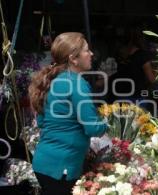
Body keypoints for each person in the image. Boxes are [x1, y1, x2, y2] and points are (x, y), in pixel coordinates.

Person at [28, 32, 107, 195]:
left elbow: (42, 122)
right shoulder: (77, 84)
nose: (91, 54)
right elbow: (92, 128)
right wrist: (105, 123)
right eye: (87, 50)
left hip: (44, 162)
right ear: (73, 58)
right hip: (62, 167)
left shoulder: (53, 80)